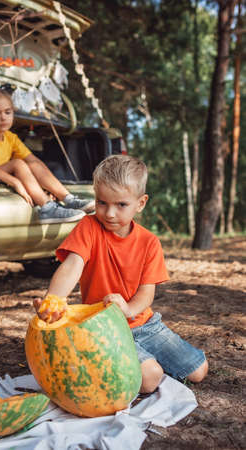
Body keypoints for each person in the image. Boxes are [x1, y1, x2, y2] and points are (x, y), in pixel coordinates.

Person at [34, 154, 208, 393]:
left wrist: (128, 310)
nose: (109, 213)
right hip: (102, 327)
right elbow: (72, 265)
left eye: (121, 205)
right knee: (149, 379)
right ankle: (99, 354)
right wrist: (54, 299)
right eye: (102, 202)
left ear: (141, 203)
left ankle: (127, 357)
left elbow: (146, 294)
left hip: (144, 324)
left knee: (199, 371)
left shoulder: (149, 242)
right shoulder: (88, 227)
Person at [0, 87, 95, 224]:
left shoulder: (10, 137)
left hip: (3, 175)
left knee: (34, 163)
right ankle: (47, 208)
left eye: (7, 112)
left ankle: (68, 199)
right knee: (18, 163)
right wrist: (15, 182)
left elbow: (34, 161)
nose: (3, 117)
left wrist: (45, 186)